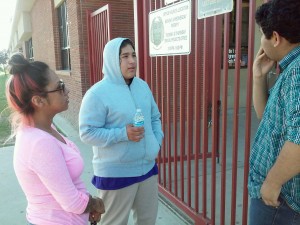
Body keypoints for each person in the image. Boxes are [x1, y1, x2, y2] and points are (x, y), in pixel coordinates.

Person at [5, 53, 105, 225]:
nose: (67, 90)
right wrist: (95, 204)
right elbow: (72, 202)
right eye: (60, 87)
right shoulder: (39, 143)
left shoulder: (44, 129)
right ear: (39, 100)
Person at [79, 37, 164, 225]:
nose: (132, 61)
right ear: (111, 60)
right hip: (117, 173)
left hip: (147, 168)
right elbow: (87, 132)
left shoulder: (142, 86)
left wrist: (156, 142)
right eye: (124, 56)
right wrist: (122, 134)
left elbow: (155, 117)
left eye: (133, 55)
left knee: (147, 221)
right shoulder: (97, 93)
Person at [249, 0, 300, 224]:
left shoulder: (297, 73)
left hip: (281, 202)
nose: (262, 41)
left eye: (263, 34)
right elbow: (266, 118)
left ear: (276, 38)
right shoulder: (290, 68)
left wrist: (272, 182)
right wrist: (258, 76)